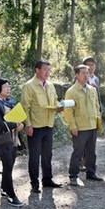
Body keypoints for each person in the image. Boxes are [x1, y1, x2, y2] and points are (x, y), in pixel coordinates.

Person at [20, 59, 64, 194]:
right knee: (34, 156)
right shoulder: (29, 86)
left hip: (48, 124)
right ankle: (34, 183)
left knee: (47, 155)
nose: (47, 73)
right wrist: (28, 125)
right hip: (35, 126)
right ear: (37, 70)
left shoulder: (50, 85)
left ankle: (47, 179)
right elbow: (24, 107)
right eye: (45, 70)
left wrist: (58, 107)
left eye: (49, 70)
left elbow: (55, 101)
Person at [64, 64, 103, 186]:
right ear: (77, 75)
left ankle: (91, 172)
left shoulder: (92, 89)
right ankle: (73, 175)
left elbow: (96, 106)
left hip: (92, 125)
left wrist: (98, 121)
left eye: (87, 73)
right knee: (78, 152)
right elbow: (68, 111)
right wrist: (73, 126)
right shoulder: (71, 91)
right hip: (80, 127)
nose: (86, 75)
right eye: (83, 73)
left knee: (91, 152)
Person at [0, 77, 25, 207]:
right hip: (3, 139)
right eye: (5, 86)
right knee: (8, 166)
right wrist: (14, 124)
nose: (8, 89)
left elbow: (20, 116)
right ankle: (11, 195)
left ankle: (4, 188)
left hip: (14, 138)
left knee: (10, 165)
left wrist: (21, 124)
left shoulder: (11, 101)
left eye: (9, 86)